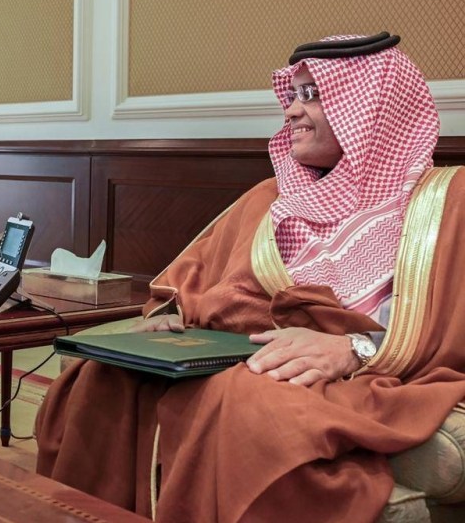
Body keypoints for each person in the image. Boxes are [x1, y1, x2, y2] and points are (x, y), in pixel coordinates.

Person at [35, 33, 465, 522]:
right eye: (292, 95)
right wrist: (170, 316)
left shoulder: (447, 202)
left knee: (239, 399)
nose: (291, 111)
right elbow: (196, 277)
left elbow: (447, 326)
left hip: (355, 375)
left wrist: (354, 348)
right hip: (243, 353)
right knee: (102, 376)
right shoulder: (270, 197)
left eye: (312, 94)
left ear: (372, 107)